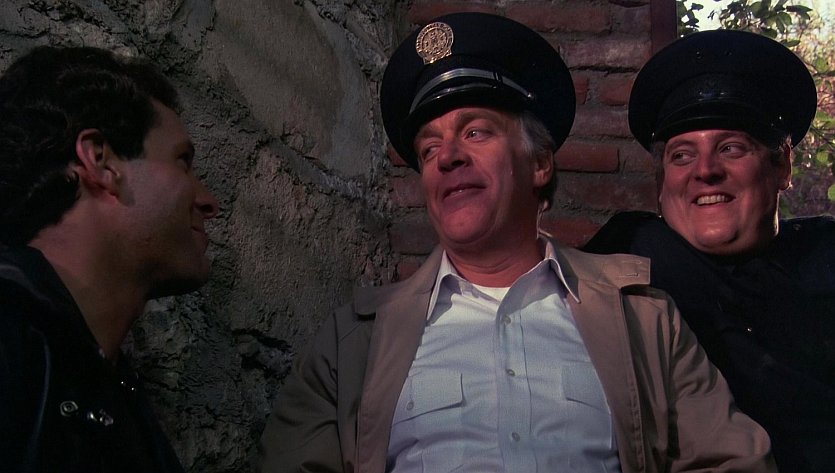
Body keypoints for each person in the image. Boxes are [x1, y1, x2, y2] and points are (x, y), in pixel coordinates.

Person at [260, 13, 774, 473]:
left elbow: (730, 460)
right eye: (430, 148)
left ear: (540, 162)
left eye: (476, 133)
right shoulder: (353, 342)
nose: (448, 157)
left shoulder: (644, 320)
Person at [584, 29, 834, 473]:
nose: (705, 171)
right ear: (662, 184)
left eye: (731, 148)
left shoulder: (826, 255)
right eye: (681, 156)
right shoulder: (624, 261)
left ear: (783, 165)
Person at [0, 46, 219, 472]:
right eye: (183, 162)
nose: (209, 201)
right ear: (100, 161)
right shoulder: (10, 339)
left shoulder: (115, 398)